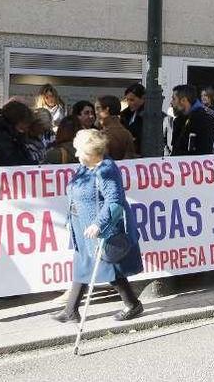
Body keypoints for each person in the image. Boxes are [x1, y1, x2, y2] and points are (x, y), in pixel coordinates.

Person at [53, 129, 143, 323]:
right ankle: (71, 310)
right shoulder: (85, 167)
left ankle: (132, 304)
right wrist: (71, 220)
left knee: (110, 266)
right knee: (83, 263)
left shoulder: (105, 169)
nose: (75, 155)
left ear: (91, 152)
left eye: (79, 151)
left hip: (99, 227)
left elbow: (115, 202)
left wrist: (99, 224)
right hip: (82, 225)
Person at [0, 100, 35, 167]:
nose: (27, 126)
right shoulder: (1, 137)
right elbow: (12, 162)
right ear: (18, 120)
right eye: (26, 122)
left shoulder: (12, 135)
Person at [170, 85, 214, 156]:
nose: (171, 102)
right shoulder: (177, 121)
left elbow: (205, 152)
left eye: (174, 99)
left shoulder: (204, 120)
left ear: (184, 100)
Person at [95, 96, 137, 160]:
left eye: (98, 108)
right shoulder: (127, 134)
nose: (96, 112)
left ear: (107, 109)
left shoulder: (103, 135)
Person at [120, 83, 145, 154]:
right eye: (127, 100)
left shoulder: (148, 116)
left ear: (142, 98)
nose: (129, 103)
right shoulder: (124, 114)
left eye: (132, 100)